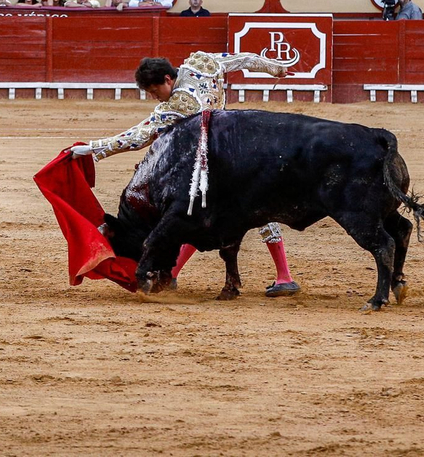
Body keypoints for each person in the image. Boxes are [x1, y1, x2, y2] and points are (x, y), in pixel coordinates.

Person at [67, 52, 299, 292]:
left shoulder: (176, 106)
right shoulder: (202, 63)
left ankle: (282, 276)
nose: (155, 98)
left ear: (168, 80)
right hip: (238, 145)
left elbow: (137, 136)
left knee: (199, 212)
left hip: (216, 163)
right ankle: (282, 276)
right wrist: (276, 69)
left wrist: (92, 149)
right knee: (222, 211)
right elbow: (244, 59)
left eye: (155, 91)